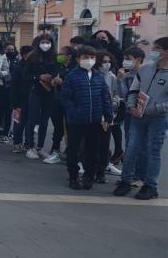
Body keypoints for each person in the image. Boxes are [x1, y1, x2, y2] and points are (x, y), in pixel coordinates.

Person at [114, 37, 168, 200]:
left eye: (158, 48)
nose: (154, 52)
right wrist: (131, 106)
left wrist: (155, 108)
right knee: (131, 149)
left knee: (153, 152)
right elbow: (133, 90)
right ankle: (126, 181)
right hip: (137, 117)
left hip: (157, 119)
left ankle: (150, 185)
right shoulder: (145, 69)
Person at [60, 45, 113, 191]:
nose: (89, 60)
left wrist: (108, 116)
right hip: (76, 121)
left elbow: (105, 97)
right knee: (73, 149)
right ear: (78, 59)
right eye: (85, 57)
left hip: (94, 120)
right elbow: (65, 97)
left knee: (92, 150)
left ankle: (89, 176)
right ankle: (73, 176)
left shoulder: (98, 76)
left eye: (92, 57)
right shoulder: (72, 76)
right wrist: (73, 111)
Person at [22, 36, 60, 159]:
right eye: (43, 42)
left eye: (48, 42)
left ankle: (40, 147)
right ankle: (30, 146)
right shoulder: (32, 57)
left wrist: (54, 78)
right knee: (32, 119)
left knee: (44, 121)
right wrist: (39, 77)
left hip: (49, 92)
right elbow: (26, 75)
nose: (45, 45)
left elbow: (58, 71)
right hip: (35, 91)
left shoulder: (55, 57)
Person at [43, 46, 77, 164]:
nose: (59, 56)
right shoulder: (58, 66)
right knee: (58, 127)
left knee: (70, 127)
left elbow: (76, 85)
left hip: (70, 101)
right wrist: (53, 82)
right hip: (57, 99)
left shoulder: (75, 68)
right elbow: (53, 79)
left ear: (69, 56)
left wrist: (63, 83)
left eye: (62, 54)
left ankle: (71, 151)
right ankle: (55, 150)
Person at [116, 46, 146, 170]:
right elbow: (122, 94)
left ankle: (138, 172)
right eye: (124, 59)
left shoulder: (144, 74)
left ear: (138, 59)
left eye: (128, 59)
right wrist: (120, 81)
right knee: (129, 141)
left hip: (141, 112)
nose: (125, 61)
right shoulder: (127, 75)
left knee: (140, 143)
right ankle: (130, 171)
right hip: (128, 111)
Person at [95, 51, 120, 183]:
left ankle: (101, 171)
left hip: (107, 116)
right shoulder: (92, 75)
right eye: (104, 61)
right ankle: (90, 169)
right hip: (93, 115)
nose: (107, 64)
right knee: (91, 144)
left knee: (104, 145)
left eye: (108, 61)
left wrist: (114, 102)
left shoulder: (112, 77)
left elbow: (116, 94)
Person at [9, 44, 32, 152]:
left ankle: (28, 143)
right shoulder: (18, 67)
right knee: (19, 122)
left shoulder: (33, 66)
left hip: (31, 97)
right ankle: (16, 143)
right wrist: (14, 101)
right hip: (20, 98)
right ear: (24, 55)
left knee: (29, 122)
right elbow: (13, 85)